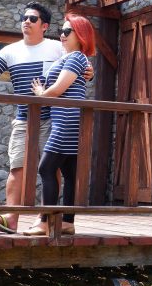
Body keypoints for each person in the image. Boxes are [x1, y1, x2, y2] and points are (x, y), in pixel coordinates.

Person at [0, 2, 93, 233]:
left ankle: (47, 219)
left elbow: (80, 64)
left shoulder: (58, 47)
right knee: (17, 168)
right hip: (24, 119)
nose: (26, 21)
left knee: (53, 169)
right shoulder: (9, 51)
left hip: (53, 118)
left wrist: (90, 73)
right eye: (24, 17)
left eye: (32, 18)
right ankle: (12, 219)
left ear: (44, 26)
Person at [22, 13, 96, 235]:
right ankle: (67, 222)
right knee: (69, 171)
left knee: (46, 168)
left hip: (67, 119)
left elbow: (58, 90)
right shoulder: (71, 58)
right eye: (61, 32)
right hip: (68, 119)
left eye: (67, 32)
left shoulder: (76, 58)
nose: (62, 36)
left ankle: (45, 221)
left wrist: (40, 93)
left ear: (80, 35)